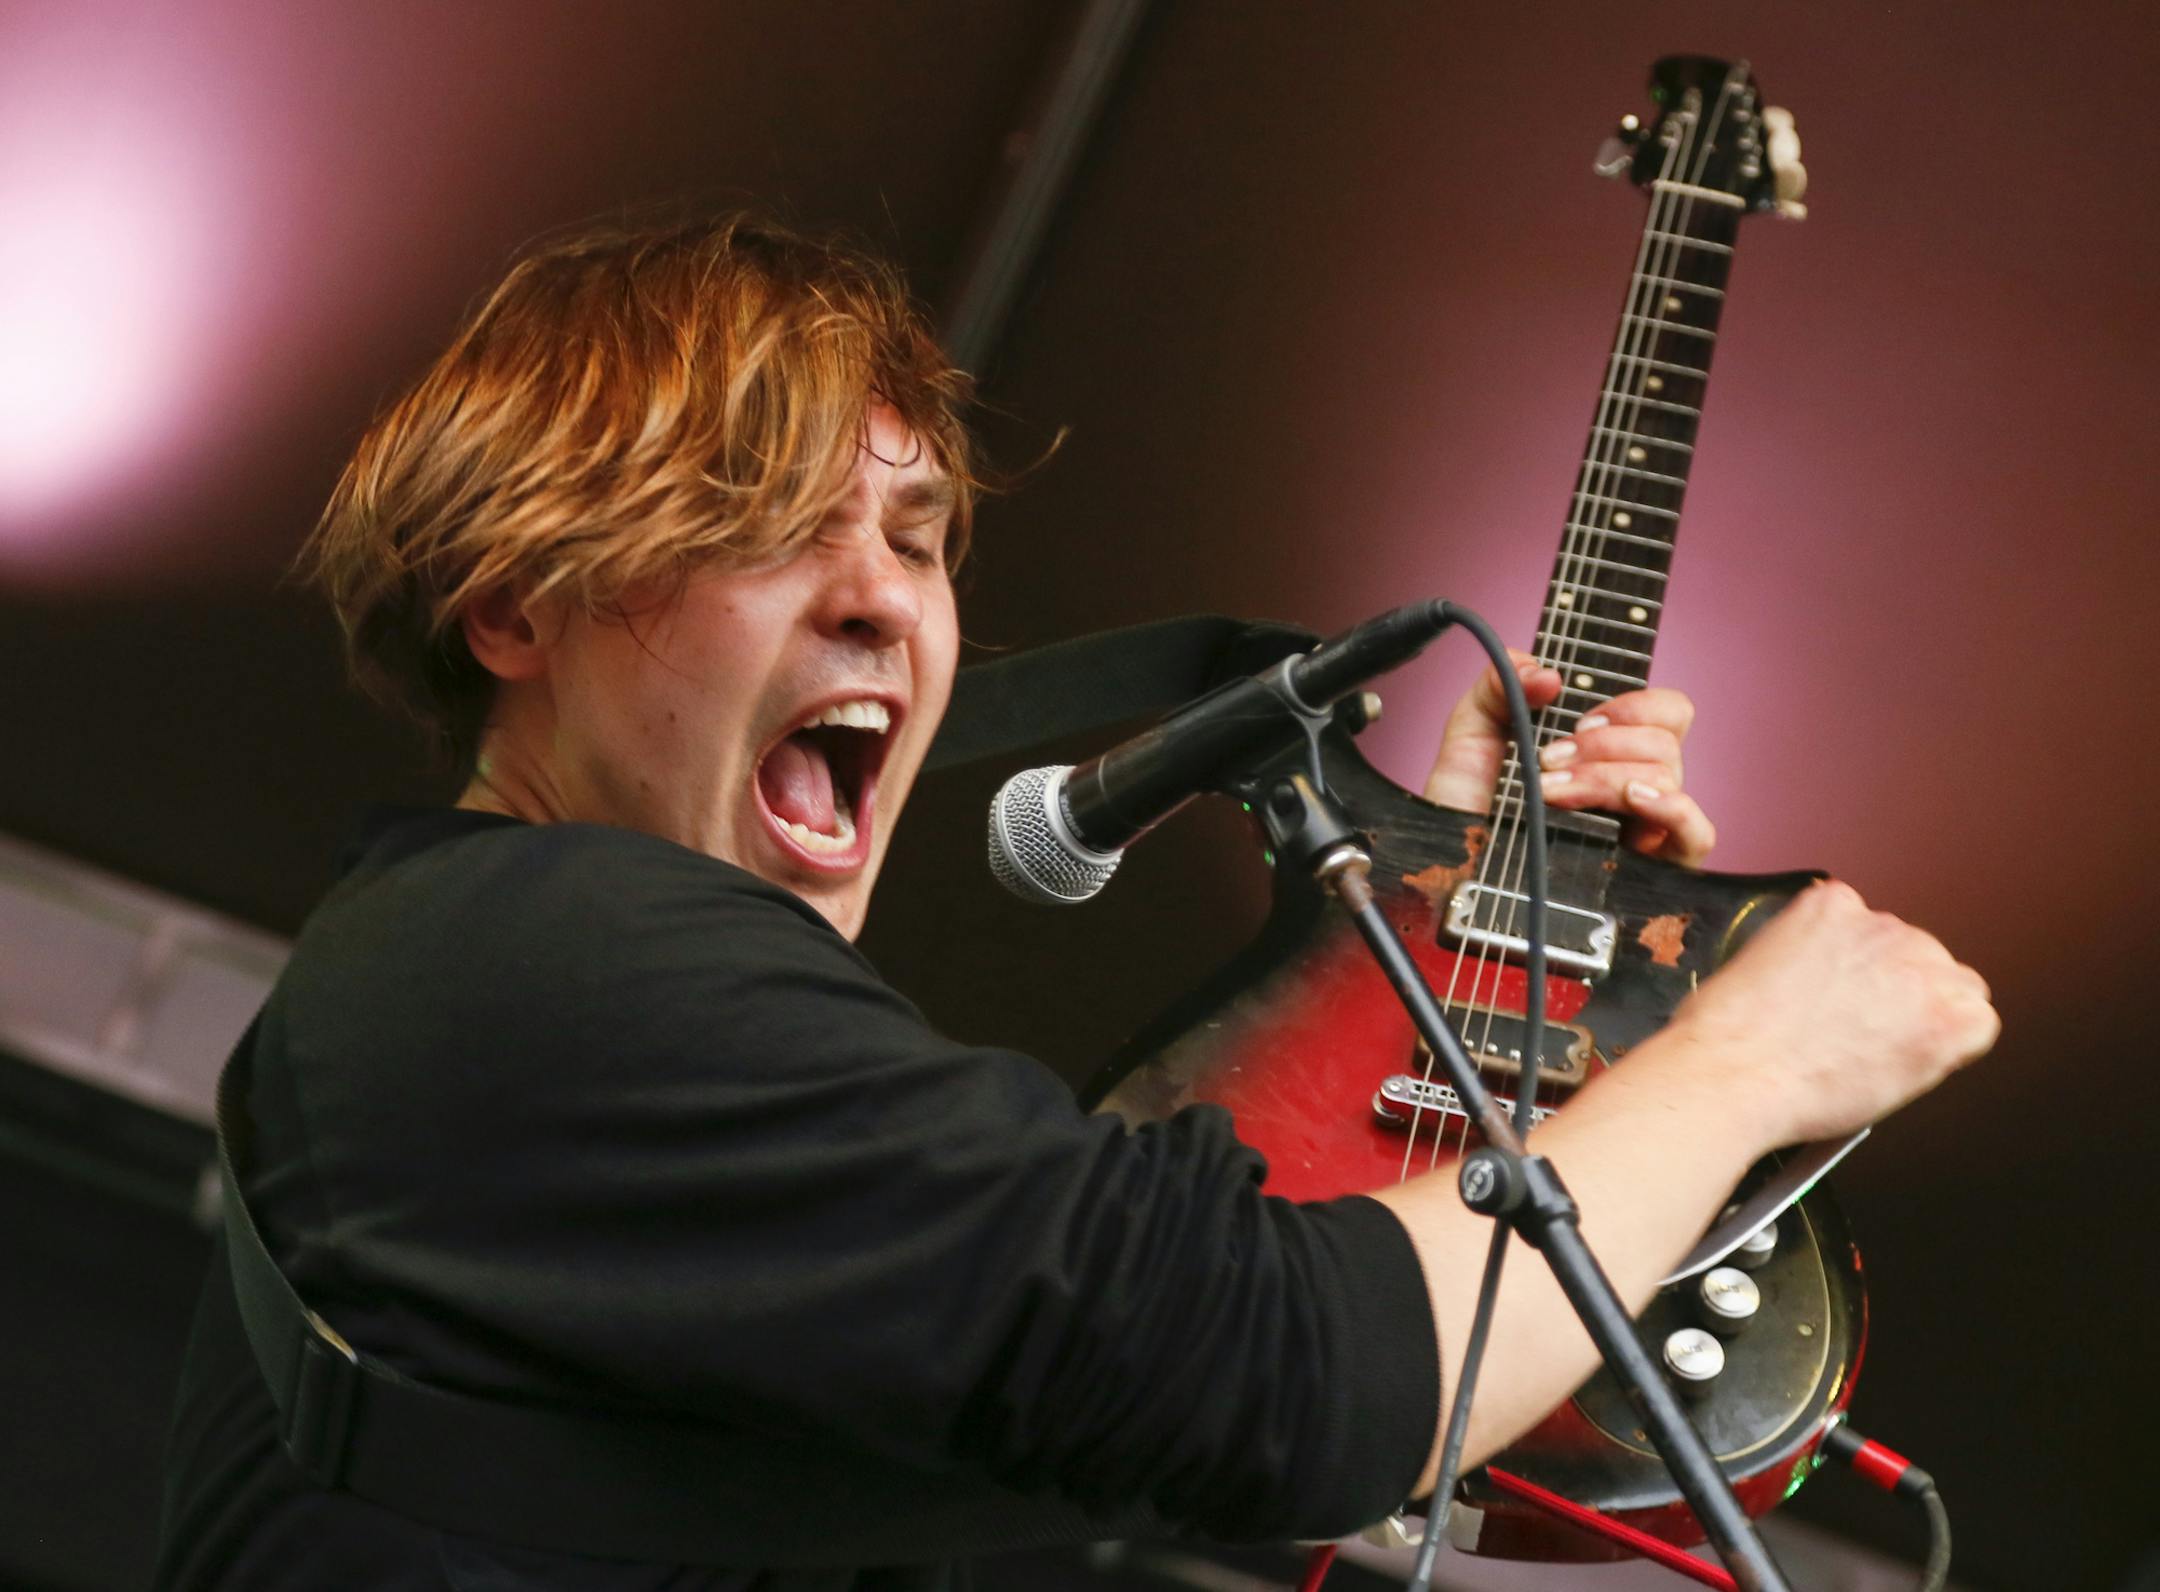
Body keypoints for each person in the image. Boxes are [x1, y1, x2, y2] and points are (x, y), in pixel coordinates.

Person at [152, 214, 1996, 1591]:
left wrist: (1445, 911)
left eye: (921, 536)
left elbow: (1215, 1335)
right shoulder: (554, 953)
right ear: (512, 610)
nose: (886, 598)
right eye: (769, 514)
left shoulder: (539, 1006)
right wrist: (1752, 1054)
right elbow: (1297, 1380)